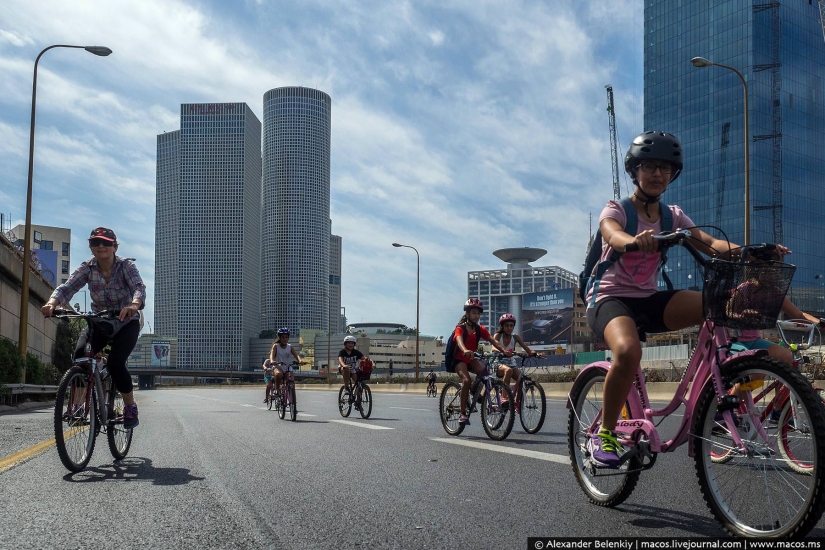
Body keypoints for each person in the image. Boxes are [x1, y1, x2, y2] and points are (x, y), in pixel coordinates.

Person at [585, 131, 791, 468]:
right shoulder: (618, 209)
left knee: (717, 305)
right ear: (635, 170)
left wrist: (752, 251)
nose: (657, 174)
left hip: (649, 298)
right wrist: (634, 240)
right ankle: (604, 434)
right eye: (649, 166)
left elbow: (711, 244)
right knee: (628, 351)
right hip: (609, 298)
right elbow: (612, 233)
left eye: (665, 168)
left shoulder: (673, 216)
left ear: (673, 174)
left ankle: (718, 393)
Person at [42, 227, 146, 429]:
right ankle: (79, 406)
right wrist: (52, 303)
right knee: (80, 357)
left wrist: (134, 305)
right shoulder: (87, 268)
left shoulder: (126, 266)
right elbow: (68, 287)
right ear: (90, 247)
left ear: (115, 247)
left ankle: (130, 407)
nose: (101, 246)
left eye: (106, 242)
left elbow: (138, 287)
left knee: (116, 364)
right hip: (100, 320)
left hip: (127, 321)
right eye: (95, 242)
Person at [452, 298, 512, 425]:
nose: (476, 316)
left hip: (471, 358)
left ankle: (474, 390)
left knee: (485, 372)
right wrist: (465, 350)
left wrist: (504, 350)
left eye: (478, 313)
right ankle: (463, 413)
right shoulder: (460, 328)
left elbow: (493, 341)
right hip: (459, 358)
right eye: (474, 313)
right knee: (466, 380)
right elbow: (459, 341)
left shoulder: (480, 329)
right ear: (467, 314)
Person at [492, 313, 542, 413]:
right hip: (497, 363)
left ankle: (516, 403)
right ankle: (504, 398)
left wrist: (536, 354)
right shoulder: (498, 336)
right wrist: (502, 352)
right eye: (507, 325)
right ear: (502, 326)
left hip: (511, 363)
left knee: (522, 379)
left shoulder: (515, 337)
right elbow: (493, 348)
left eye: (511, 326)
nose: (509, 328)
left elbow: (528, 350)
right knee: (508, 371)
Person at [268, 327, 302, 399]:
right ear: (280, 338)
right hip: (278, 366)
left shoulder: (290, 347)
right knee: (278, 374)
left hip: (287, 367)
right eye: (283, 337)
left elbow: (296, 355)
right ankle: (277, 389)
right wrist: (272, 361)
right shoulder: (276, 346)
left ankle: (291, 395)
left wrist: (300, 361)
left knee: (291, 379)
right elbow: (271, 355)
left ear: (288, 338)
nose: (284, 339)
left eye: (286, 337)